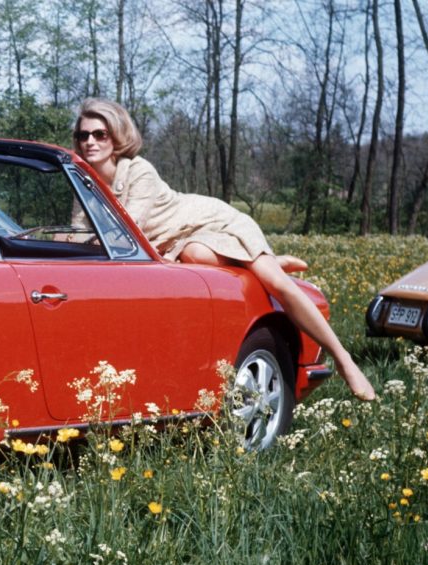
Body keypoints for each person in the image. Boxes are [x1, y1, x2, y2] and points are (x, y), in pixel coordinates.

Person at [72, 97, 376, 401]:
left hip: (209, 222)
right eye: (84, 135)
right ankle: (256, 259)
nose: (90, 142)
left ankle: (344, 359)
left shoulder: (139, 171)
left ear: (117, 136)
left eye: (100, 134)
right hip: (181, 243)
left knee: (277, 285)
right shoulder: (84, 181)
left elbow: (123, 232)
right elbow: (75, 234)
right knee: (194, 255)